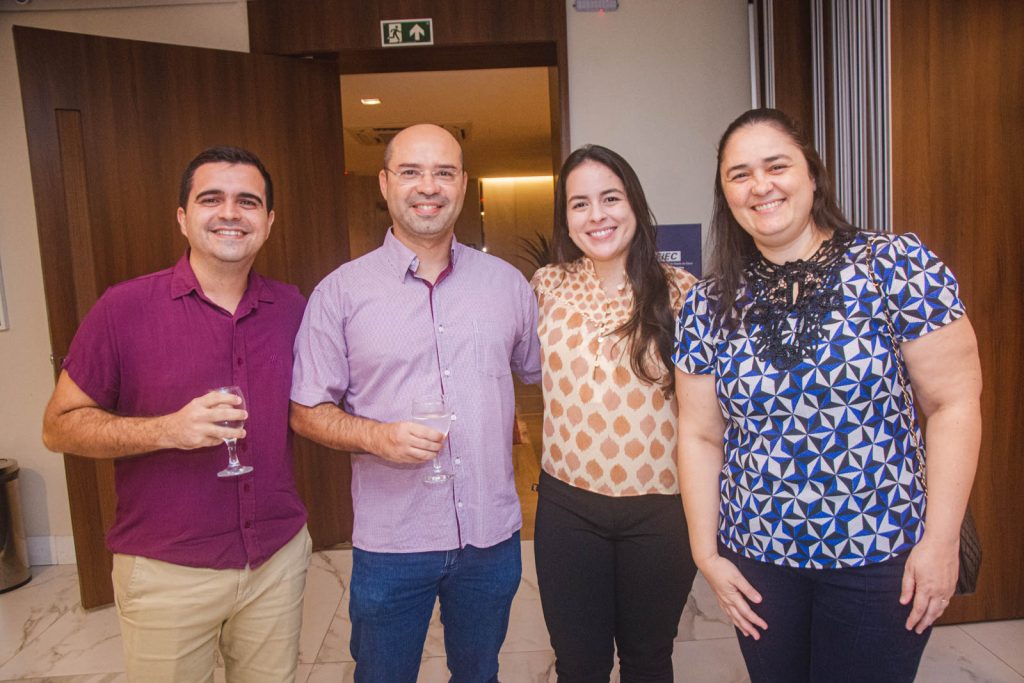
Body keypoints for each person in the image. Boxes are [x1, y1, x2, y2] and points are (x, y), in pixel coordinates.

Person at [673, 108, 983, 682]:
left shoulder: (895, 267)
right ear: (725, 194)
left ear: (812, 175)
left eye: (776, 166)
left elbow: (953, 404)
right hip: (757, 561)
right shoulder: (707, 303)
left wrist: (941, 541)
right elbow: (698, 435)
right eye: (739, 174)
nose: (760, 185)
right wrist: (706, 554)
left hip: (882, 556)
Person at [41, 146, 312, 682]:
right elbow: (58, 426)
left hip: (275, 562)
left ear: (269, 221)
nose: (231, 213)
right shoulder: (123, 308)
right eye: (211, 199)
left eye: (248, 202)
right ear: (183, 218)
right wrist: (169, 429)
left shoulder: (293, 309)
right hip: (166, 572)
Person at [289, 123, 541, 682]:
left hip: (490, 534)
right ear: (384, 184)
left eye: (444, 172)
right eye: (411, 172)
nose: (428, 186)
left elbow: (545, 372)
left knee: (479, 675)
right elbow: (305, 411)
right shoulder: (340, 293)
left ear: (464, 184)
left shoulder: (508, 286)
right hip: (393, 541)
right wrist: (375, 437)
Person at [531, 144, 699, 682]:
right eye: (579, 204)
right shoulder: (545, 287)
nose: (596, 215)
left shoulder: (684, 292)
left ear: (634, 204)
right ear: (566, 217)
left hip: (663, 512)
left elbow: (712, 414)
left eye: (610, 198)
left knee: (648, 660)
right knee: (579, 665)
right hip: (568, 509)